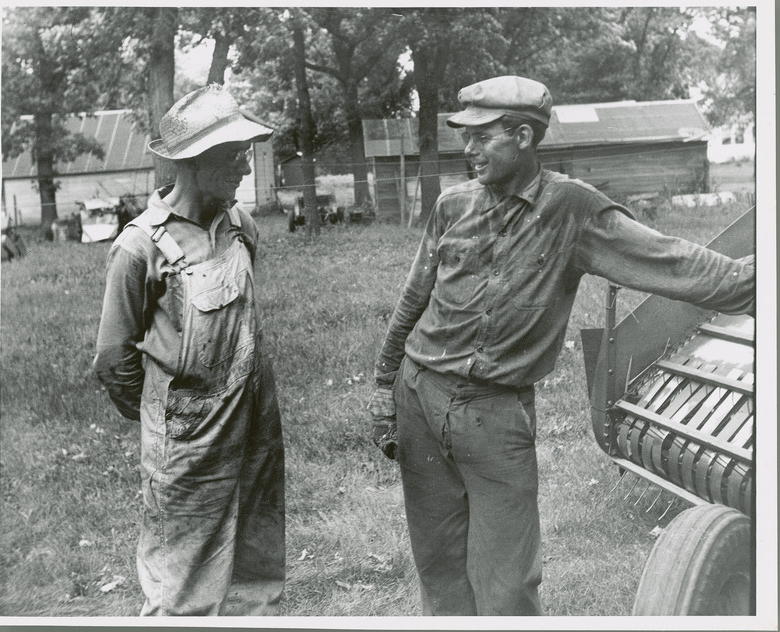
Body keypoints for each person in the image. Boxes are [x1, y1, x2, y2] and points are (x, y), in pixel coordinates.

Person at [367, 75, 755, 616]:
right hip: (419, 399)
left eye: (482, 137)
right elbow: (412, 302)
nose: (468, 149)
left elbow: (673, 261)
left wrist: (752, 278)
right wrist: (384, 390)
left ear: (523, 136)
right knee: (439, 573)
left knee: (507, 588)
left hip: (493, 416)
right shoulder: (452, 206)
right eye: (465, 136)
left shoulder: (574, 211)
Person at [94, 84, 285, 616]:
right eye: (233, 158)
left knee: (258, 570)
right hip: (188, 444)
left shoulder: (238, 226)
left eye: (245, 155)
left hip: (255, 427)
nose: (245, 170)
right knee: (181, 588)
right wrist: (171, 421)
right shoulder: (139, 246)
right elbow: (113, 362)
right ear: (194, 163)